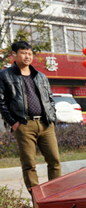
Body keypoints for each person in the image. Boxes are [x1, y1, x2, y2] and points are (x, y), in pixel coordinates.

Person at [0, 41, 61, 194]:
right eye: (23, 52)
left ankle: (55, 196)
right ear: (14, 54)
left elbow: (50, 98)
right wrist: (13, 122)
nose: (27, 56)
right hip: (24, 124)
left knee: (54, 161)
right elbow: (1, 102)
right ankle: (38, 199)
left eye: (29, 53)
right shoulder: (5, 75)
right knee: (29, 164)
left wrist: (52, 119)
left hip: (46, 124)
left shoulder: (40, 76)